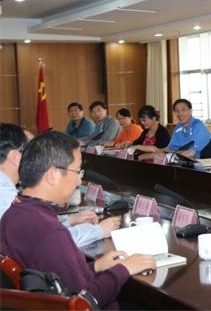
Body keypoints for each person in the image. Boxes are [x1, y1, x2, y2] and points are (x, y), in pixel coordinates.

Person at [0, 131, 156, 309]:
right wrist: (125, 269)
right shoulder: (50, 232)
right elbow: (84, 301)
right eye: (77, 171)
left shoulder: (16, 211)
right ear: (52, 175)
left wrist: (96, 266)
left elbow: (57, 279)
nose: (79, 181)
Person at [0, 123, 121, 248]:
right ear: (14, 157)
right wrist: (99, 231)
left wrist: (70, 220)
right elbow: (49, 242)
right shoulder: (7, 198)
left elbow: (36, 230)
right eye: (31, 152)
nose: (37, 157)